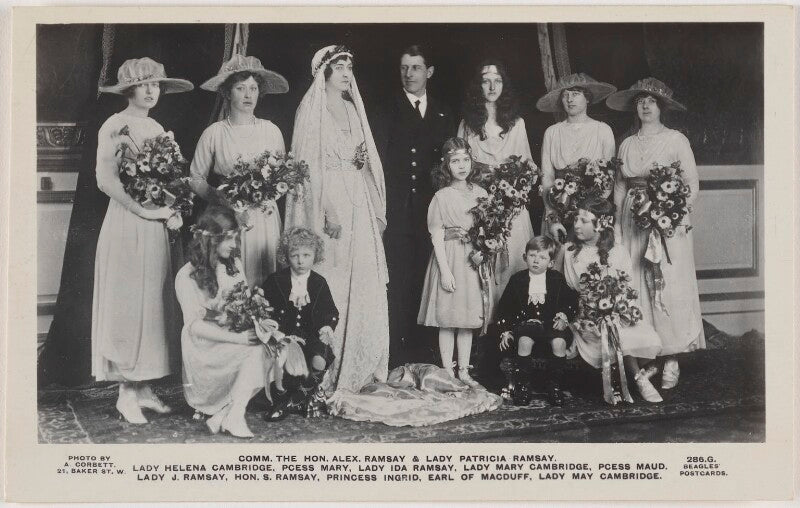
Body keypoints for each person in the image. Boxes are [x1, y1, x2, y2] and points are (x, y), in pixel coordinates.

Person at [91, 57, 193, 424]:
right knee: (130, 302)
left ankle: (145, 386)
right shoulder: (115, 125)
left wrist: (172, 207)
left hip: (156, 223)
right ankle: (126, 392)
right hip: (128, 223)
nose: (152, 91)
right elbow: (107, 180)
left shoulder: (154, 125)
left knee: (154, 300)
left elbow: (167, 179)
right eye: (145, 84)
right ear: (129, 89)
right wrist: (143, 210)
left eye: (157, 85)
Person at [285, 45, 390, 397]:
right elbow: (305, 166)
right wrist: (326, 209)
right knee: (334, 272)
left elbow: (363, 162)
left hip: (356, 197)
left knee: (361, 275)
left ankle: (360, 364)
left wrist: (374, 205)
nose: (347, 73)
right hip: (325, 198)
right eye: (340, 67)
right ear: (324, 73)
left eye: (349, 66)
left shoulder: (351, 108)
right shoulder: (311, 108)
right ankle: (325, 367)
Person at [607, 77, 705, 390]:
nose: (646, 106)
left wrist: (669, 214)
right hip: (633, 221)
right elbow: (621, 186)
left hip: (666, 225)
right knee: (638, 286)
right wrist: (619, 229)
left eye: (652, 101)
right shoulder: (628, 143)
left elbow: (690, 184)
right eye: (640, 101)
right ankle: (648, 356)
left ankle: (672, 357)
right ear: (635, 107)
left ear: (661, 107)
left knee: (669, 286)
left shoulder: (676, 140)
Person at [376, 44, 455, 367]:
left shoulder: (443, 111)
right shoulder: (387, 108)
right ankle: (398, 351)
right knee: (400, 279)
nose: (409, 74)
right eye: (404, 68)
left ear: (429, 72)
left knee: (431, 276)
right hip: (398, 209)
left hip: (432, 209)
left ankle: (429, 352)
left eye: (416, 68)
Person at [190, 54, 290, 286]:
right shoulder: (214, 132)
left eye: (253, 88)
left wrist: (265, 197)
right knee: (232, 276)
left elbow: (283, 176)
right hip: (227, 217)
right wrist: (222, 198)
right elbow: (195, 178)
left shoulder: (271, 130)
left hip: (265, 216)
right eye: (240, 88)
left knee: (266, 275)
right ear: (227, 92)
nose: (248, 95)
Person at [175, 206, 273, 438]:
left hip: (232, 335)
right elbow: (195, 327)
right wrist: (238, 338)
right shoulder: (186, 276)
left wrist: (263, 325)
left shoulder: (234, 264)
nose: (234, 244)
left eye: (235, 237)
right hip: (204, 346)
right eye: (228, 238)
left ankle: (229, 415)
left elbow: (246, 304)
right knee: (255, 352)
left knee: (271, 348)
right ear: (211, 240)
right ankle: (233, 415)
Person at [562, 196, 664, 403]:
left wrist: (618, 310)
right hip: (585, 314)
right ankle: (639, 379)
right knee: (610, 331)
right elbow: (567, 288)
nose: (577, 225)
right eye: (576, 220)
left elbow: (626, 288)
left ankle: (638, 378)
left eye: (584, 221)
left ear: (600, 224)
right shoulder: (570, 252)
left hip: (616, 310)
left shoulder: (618, 251)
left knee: (621, 329)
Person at [457, 60, 536, 311]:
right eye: (485, 80)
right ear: (477, 85)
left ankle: (513, 325)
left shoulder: (517, 123)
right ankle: (484, 328)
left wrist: (511, 193)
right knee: (481, 259)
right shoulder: (468, 124)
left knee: (513, 259)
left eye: (498, 80)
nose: (492, 86)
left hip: (511, 206)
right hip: (479, 204)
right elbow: (459, 165)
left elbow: (528, 166)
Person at [417, 137, 487, 387]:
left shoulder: (481, 193)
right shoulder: (442, 196)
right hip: (449, 257)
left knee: (467, 319)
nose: (461, 166)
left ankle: (465, 371)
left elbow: (487, 229)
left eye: (465, 160)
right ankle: (448, 370)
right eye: (455, 161)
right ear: (446, 165)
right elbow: (436, 234)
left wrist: (483, 251)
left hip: (472, 259)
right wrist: (445, 271)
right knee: (448, 319)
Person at [260, 227, 339, 421]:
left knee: (319, 360)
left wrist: (326, 327)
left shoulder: (319, 283)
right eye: (295, 255)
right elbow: (263, 307)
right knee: (282, 359)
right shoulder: (276, 280)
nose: (301, 261)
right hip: (283, 334)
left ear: (315, 256)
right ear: (286, 256)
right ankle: (281, 400)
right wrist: (274, 328)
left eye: (306, 255)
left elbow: (330, 311)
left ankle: (295, 399)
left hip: (311, 334)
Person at [496, 236, 578, 407]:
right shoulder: (517, 280)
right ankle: (523, 386)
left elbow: (570, 302)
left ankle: (554, 386)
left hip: (551, 324)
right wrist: (506, 330)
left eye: (542, 258)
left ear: (550, 263)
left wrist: (563, 317)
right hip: (526, 325)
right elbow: (505, 308)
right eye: (532, 255)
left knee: (559, 342)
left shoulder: (556, 279)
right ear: (525, 257)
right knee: (524, 341)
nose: (536, 261)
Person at [536, 73, 617, 243]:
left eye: (575, 94)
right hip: (557, 208)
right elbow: (547, 176)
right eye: (565, 95)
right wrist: (552, 216)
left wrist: (590, 211)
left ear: (587, 98)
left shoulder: (602, 130)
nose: (569, 99)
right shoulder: (552, 132)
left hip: (591, 211)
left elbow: (609, 178)